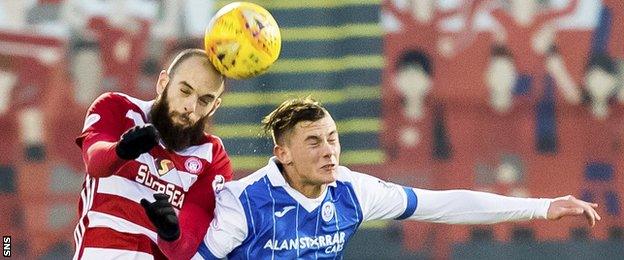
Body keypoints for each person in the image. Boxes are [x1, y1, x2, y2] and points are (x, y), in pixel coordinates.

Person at [187, 97, 601, 259]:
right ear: (283, 154)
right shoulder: (242, 202)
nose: (329, 150)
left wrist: (542, 207)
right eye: (313, 142)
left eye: (332, 138)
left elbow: (444, 205)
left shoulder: (352, 192)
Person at [74, 49, 232, 259]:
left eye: (204, 101)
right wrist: (121, 150)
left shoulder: (213, 156)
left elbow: (185, 249)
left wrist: (172, 234)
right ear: (163, 83)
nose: (190, 107)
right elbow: (95, 163)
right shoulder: (117, 107)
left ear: (214, 107)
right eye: (185, 91)